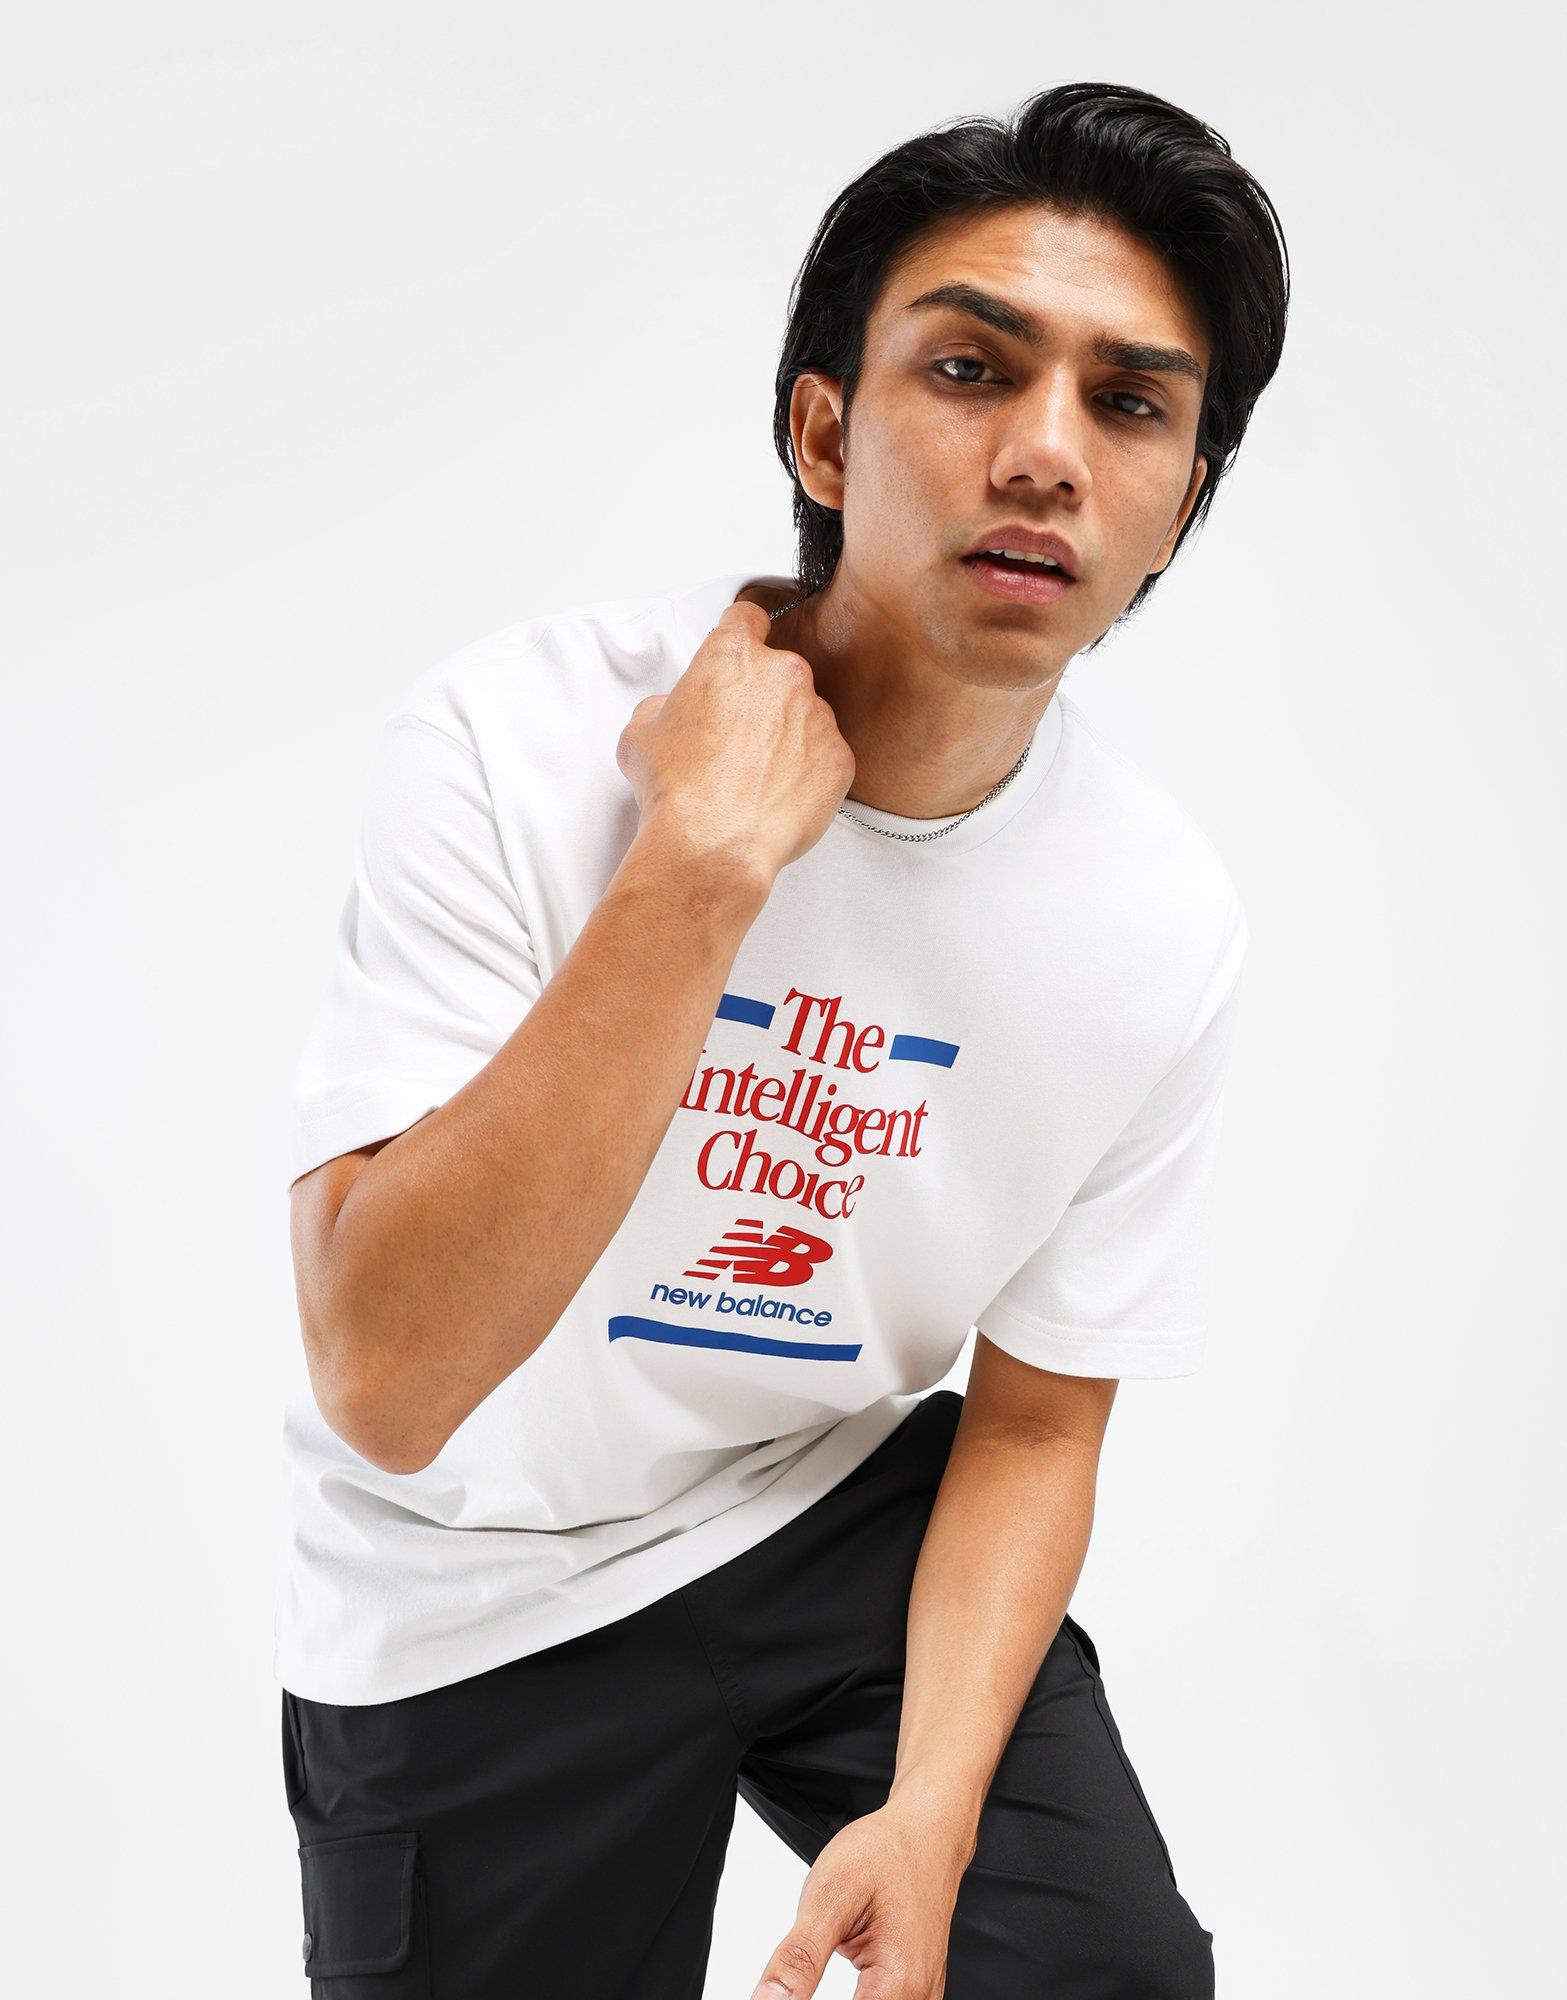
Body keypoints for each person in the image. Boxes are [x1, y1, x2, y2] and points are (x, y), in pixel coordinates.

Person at [277, 79, 1287, 2000]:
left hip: (830, 1506)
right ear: (822, 428)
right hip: (482, 1574)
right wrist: (702, 865)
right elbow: (387, 1380)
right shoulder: (515, 744)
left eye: (1130, 405)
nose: (1046, 455)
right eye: (972, 369)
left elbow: (1038, 1420)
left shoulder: (1155, 919)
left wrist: (932, 1815)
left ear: (1179, 507)